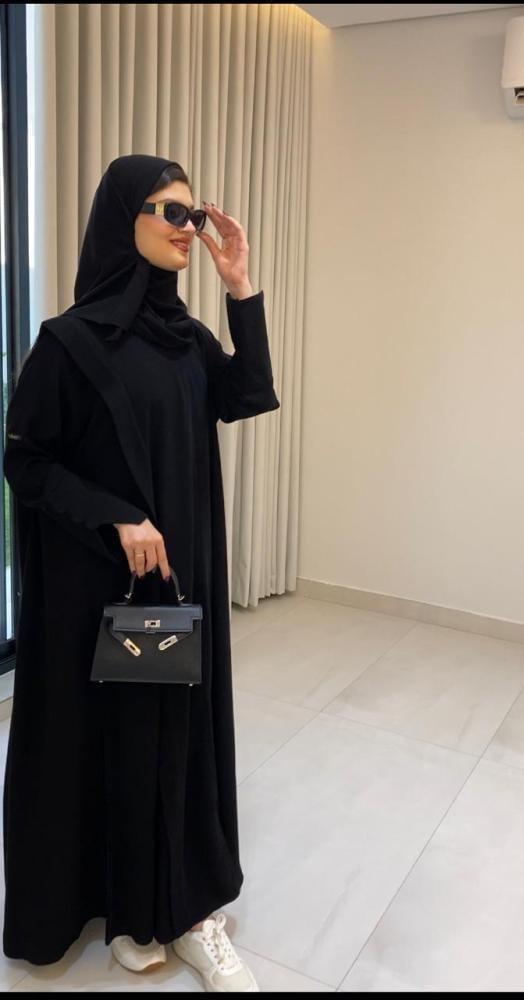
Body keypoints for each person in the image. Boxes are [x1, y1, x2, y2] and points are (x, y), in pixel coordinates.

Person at [2, 154, 280, 989]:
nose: (187, 228)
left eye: (194, 214)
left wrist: (239, 290)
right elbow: (26, 461)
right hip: (102, 587)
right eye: (170, 211)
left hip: (179, 580)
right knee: (116, 742)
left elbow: (245, 394)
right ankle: (129, 911)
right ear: (123, 218)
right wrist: (117, 515)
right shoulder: (70, 342)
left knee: (176, 738)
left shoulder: (187, 338)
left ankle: (181, 908)